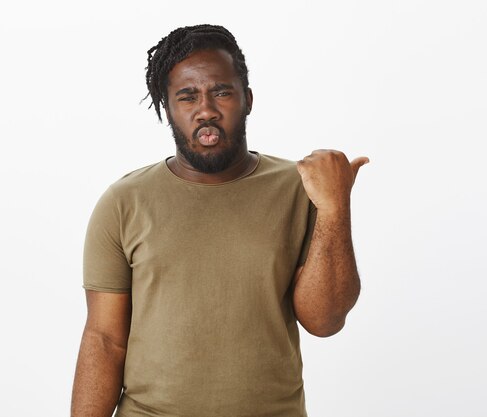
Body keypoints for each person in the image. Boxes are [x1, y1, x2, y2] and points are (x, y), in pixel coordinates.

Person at [71, 24, 368, 417]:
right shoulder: (124, 202)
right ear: (166, 108)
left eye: (222, 92)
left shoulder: (302, 190)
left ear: (247, 99)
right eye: (187, 96)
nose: (206, 110)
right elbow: (105, 340)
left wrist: (334, 208)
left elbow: (325, 320)